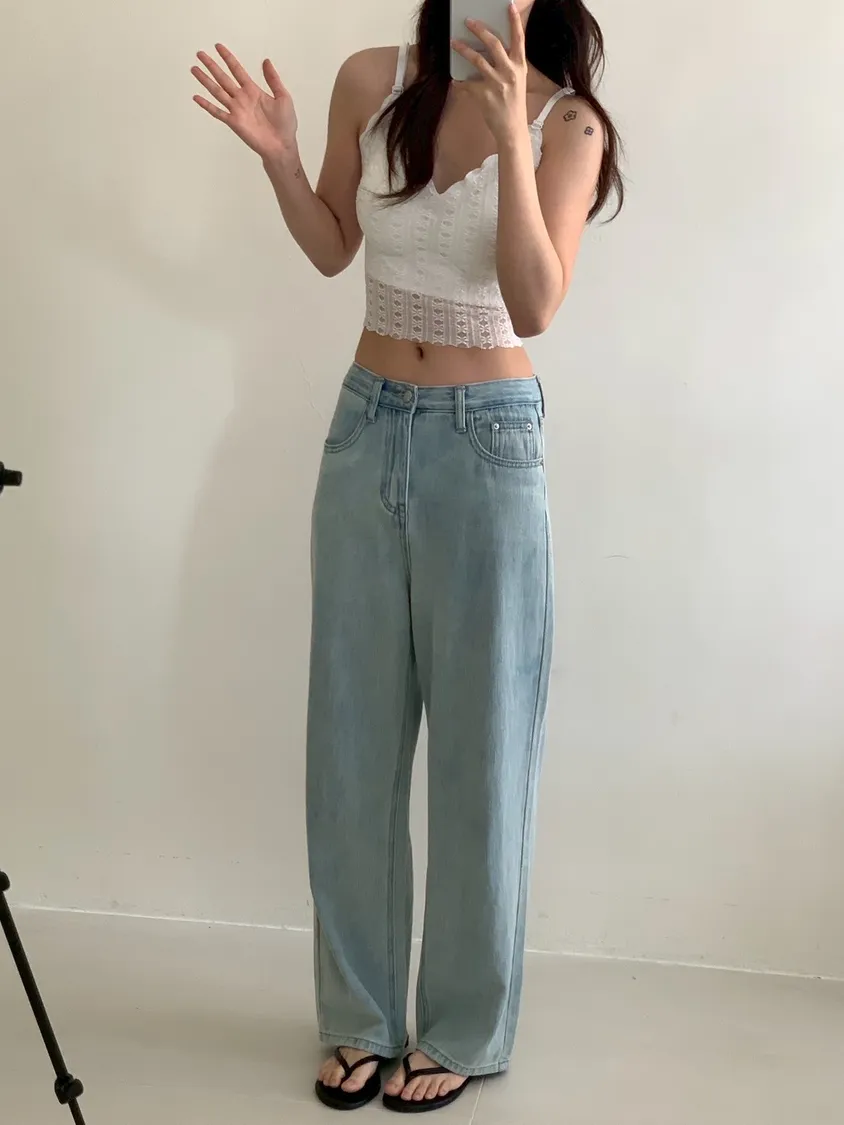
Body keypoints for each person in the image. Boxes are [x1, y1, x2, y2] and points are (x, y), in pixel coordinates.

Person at [192, 0, 622, 1113]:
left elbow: (536, 300)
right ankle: (358, 1020)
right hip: (365, 425)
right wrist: (282, 159)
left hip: (488, 445)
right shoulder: (369, 80)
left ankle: (466, 1027)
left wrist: (511, 131)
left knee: (483, 751)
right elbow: (333, 246)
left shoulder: (570, 124)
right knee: (351, 742)